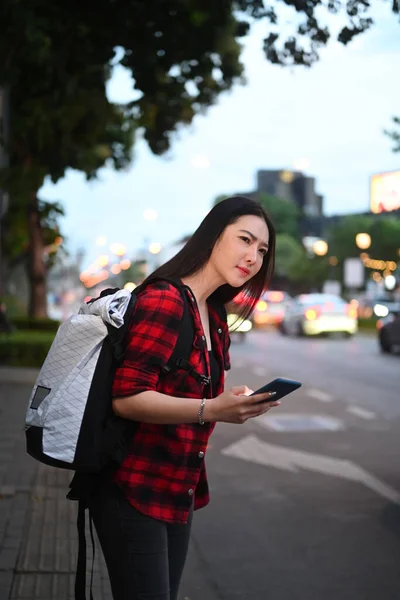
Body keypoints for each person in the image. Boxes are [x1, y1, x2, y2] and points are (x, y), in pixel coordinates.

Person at [88, 196, 279, 600]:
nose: (253, 257)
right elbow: (128, 398)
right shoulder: (164, 301)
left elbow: (188, 393)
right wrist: (212, 409)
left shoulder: (212, 313)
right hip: (132, 489)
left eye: (262, 250)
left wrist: (229, 402)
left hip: (177, 488)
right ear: (212, 237)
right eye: (245, 240)